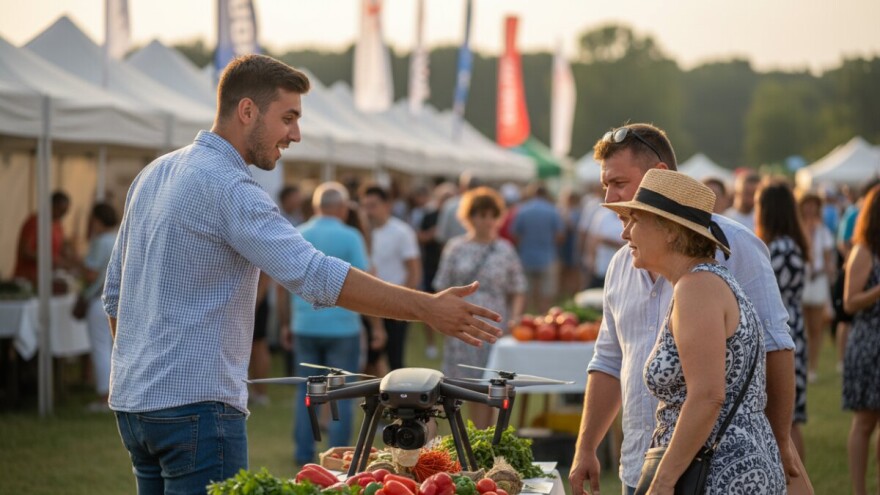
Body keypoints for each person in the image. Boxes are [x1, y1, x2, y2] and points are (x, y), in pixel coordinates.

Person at [102, 54, 501, 494]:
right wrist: (426, 307)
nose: (295, 134)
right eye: (288, 118)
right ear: (247, 110)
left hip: (135, 403)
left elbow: (114, 296)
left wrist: (145, 372)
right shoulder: (229, 186)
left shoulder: (154, 173)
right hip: (194, 406)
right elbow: (315, 275)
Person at [568, 123, 799, 495]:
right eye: (605, 185)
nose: (609, 200)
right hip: (647, 461)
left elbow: (771, 349)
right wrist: (586, 446)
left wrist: (780, 441)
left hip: (708, 470)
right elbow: (609, 360)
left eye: (620, 184)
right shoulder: (623, 263)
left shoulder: (723, 260)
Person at [603, 169, 785, 494]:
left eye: (635, 220)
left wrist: (663, 480)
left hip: (719, 474)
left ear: (670, 231)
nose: (625, 233)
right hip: (730, 466)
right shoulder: (704, 281)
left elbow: (707, 396)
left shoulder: (696, 288)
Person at [278, 182, 369, 466]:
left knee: (306, 392)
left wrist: (285, 323)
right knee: (342, 393)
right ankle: (339, 455)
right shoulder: (351, 236)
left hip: (304, 324)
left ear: (317, 206)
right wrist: (375, 327)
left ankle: (302, 453)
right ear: (342, 208)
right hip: (343, 326)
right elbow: (364, 283)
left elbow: (282, 283)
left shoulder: (298, 233)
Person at [433, 187, 526, 428]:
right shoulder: (455, 247)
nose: (487, 221)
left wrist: (515, 317)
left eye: (492, 215)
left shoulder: (505, 249)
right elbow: (442, 286)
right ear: (469, 217)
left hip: (494, 324)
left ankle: (483, 436)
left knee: (490, 385)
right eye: (481, 215)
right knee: (457, 385)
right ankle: (459, 435)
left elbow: (517, 287)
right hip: (461, 323)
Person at [755, 180, 810, 460]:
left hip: (781, 335)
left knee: (785, 421)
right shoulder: (791, 244)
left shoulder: (779, 249)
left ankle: (792, 477)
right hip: (793, 329)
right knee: (789, 420)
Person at [841, 184, 880, 495]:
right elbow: (850, 302)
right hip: (870, 343)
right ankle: (858, 490)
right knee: (865, 422)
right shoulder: (863, 251)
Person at [360, 184, 422, 371]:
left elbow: (414, 271)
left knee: (395, 360)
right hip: (367, 305)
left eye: (373, 205)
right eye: (365, 206)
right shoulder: (360, 233)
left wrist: (403, 303)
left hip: (394, 304)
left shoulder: (402, 232)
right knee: (369, 361)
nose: (369, 211)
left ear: (387, 205)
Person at [79, 202, 118, 412]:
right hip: (116, 301)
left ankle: (105, 396)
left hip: (98, 300)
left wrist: (78, 266)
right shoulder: (118, 237)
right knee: (112, 348)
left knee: (100, 349)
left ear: (96, 220)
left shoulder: (100, 242)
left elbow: (90, 274)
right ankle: (114, 393)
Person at [798, 190, 836, 383]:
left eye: (814, 205)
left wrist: (826, 274)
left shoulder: (823, 231)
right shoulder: (797, 229)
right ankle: (800, 365)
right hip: (800, 280)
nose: (810, 208)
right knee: (799, 326)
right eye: (807, 204)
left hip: (817, 281)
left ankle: (812, 367)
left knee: (815, 328)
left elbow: (828, 261)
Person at [511, 182, 564, 313]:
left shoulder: (523, 210)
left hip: (526, 256)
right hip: (547, 256)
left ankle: (526, 317)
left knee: (525, 292)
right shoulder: (552, 210)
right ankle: (543, 317)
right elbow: (560, 236)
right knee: (546, 293)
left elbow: (515, 233)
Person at [14, 190, 74, 288]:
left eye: (65, 212)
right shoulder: (34, 222)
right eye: (60, 210)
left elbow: (62, 247)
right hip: (28, 278)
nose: (62, 215)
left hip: (46, 278)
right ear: (51, 205)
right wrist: (49, 259)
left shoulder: (58, 225)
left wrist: (68, 256)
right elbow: (24, 251)